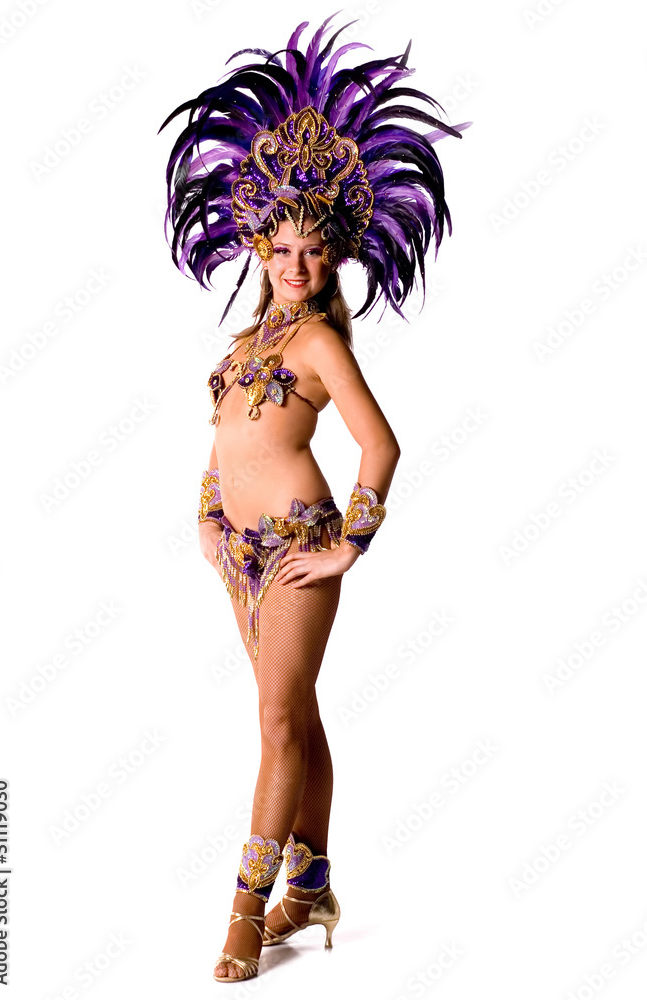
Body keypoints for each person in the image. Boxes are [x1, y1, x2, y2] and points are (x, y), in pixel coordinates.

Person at [159, 15, 470, 984]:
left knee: (279, 725)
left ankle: (247, 912)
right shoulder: (246, 345)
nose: (296, 266)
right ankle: (315, 887)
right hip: (238, 554)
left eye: (313, 252)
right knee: (294, 712)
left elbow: (381, 443)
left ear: (333, 256)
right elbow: (225, 442)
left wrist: (349, 545)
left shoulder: (320, 342)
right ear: (258, 245)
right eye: (283, 249)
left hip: (297, 547)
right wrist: (206, 515)